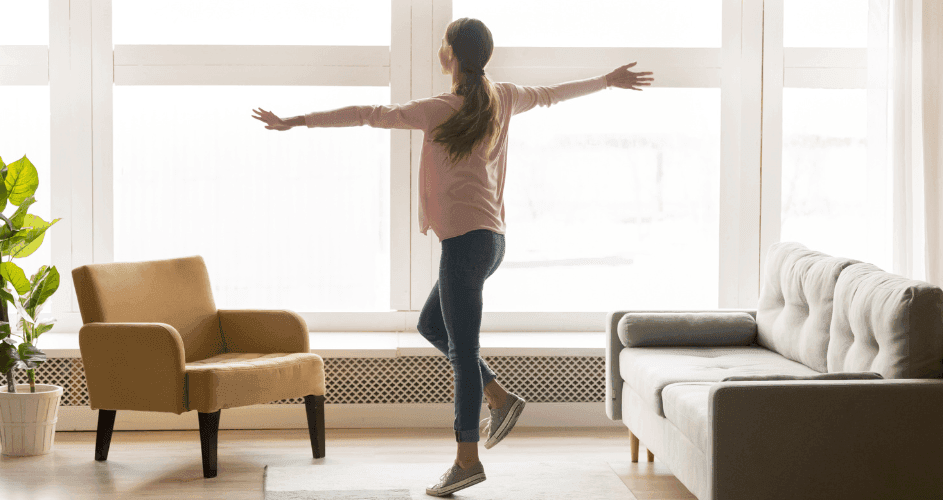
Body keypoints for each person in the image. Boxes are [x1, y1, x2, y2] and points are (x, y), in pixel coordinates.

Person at [252, 16, 653, 497]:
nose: (439, 47)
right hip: (490, 242)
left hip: (466, 244)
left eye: (443, 42)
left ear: (452, 56)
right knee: (431, 325)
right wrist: (606, 81)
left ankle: (467, 460)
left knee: (463, 352)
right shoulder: (502, 97)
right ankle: (499, 397)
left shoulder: (443, 107)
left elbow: (368, 112)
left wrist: (295, 121)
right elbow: (551, 93)